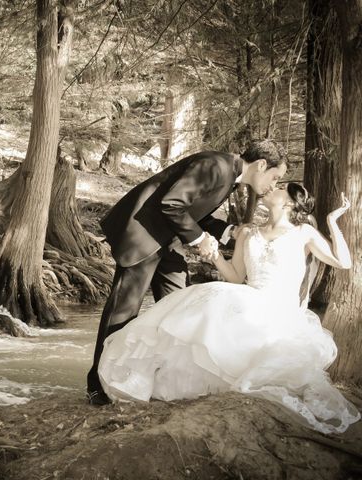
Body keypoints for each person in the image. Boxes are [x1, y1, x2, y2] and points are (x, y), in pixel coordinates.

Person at [97, 183, 360, 434]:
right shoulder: (248, 232)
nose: (274, 188)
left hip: (281, 307)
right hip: (250, 294)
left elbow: (343, 262)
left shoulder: (303, 233)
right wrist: (215, 257)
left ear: (290, 203)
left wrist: (332, 222)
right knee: (201, 307)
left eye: (281, 188)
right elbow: (235, 276)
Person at [87, 140, 288, 405]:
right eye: (275, 177)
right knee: (123, 311)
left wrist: (228, 232)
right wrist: (198, 240)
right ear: (261, 165)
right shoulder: (215, 165)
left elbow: (193, 211)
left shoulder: (228, 175)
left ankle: (164, 384)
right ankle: (98, 386)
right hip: (143, 236)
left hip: (168, 244)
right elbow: (172, 203)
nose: (274, 185)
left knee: (181, 310)